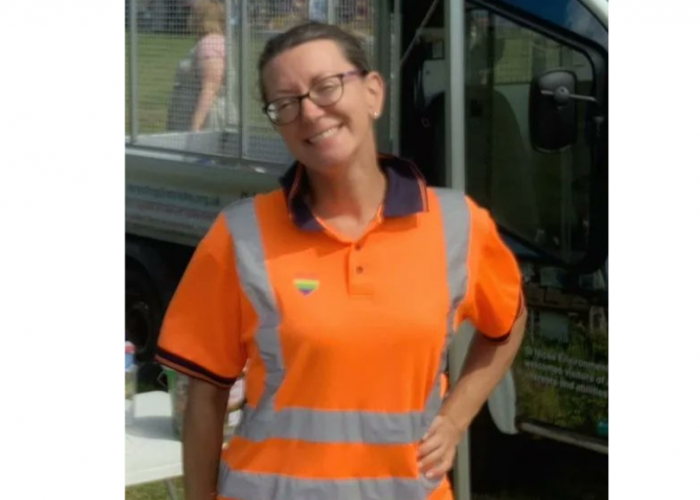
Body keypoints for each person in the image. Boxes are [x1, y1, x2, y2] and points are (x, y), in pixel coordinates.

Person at [156, 21, 527, 500]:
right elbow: (205, 398)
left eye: (326, 87)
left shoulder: (457, 225)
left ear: (373, 93)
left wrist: (455, 418)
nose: (310, 112)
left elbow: (508, 323)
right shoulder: (240, 235)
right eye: (285, 104)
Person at [166, 0, 236, 132]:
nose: (189, 18)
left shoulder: (210, 43)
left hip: (207, 120)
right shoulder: (213, 41)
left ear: (201, 18)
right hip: (197, 116)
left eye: (192, 14)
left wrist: (195, 126)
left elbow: (210, 88)